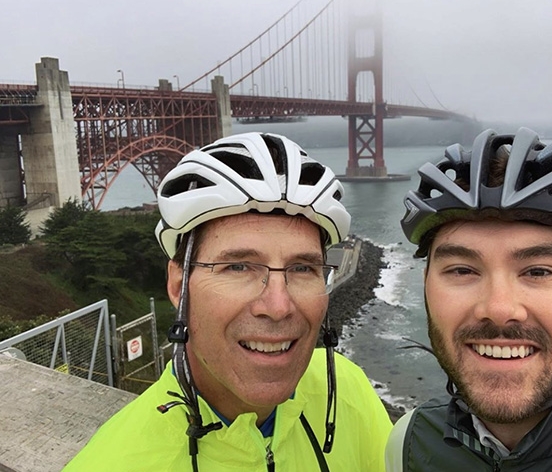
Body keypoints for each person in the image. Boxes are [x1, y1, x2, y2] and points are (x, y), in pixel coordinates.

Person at [64, 132, 392, 471]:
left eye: (302, 268)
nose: (278, 306)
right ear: (179, 285)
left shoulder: (348, 391)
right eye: (238, 267)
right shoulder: (113, 464)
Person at [386, 127, 552, 471]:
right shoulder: (408, 444)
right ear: (425, 286)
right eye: (461, 270)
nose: (499, 309)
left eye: (538, 271)